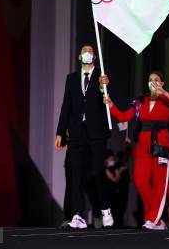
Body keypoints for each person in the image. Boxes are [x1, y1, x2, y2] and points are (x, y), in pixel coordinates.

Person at [103, 70, 169, 230]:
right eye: (150, 79)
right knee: (140, 181)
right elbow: (123, 116)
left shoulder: (166, 100)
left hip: (161, 143)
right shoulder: (141, 101)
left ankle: (153, 219)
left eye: (156, 80)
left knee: (160, 183)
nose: (152, 82)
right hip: (143, 145)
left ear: (161, 83)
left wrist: (164, 93)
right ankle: (156, 219)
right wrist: (110, 104)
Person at [54, 44, 113, 229]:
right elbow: (66, 106)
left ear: (94, 57)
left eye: (91, 51)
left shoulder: (101, 77)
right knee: (76, 175)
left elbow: (107, 103)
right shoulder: (71, 79)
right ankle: (77, 215)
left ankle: (105, 207)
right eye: (84, 51)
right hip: (77, 133)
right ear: (80, 56)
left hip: (97, 133)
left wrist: (105, 88)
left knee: (96, 171)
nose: (87, 53)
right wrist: (60, 132)